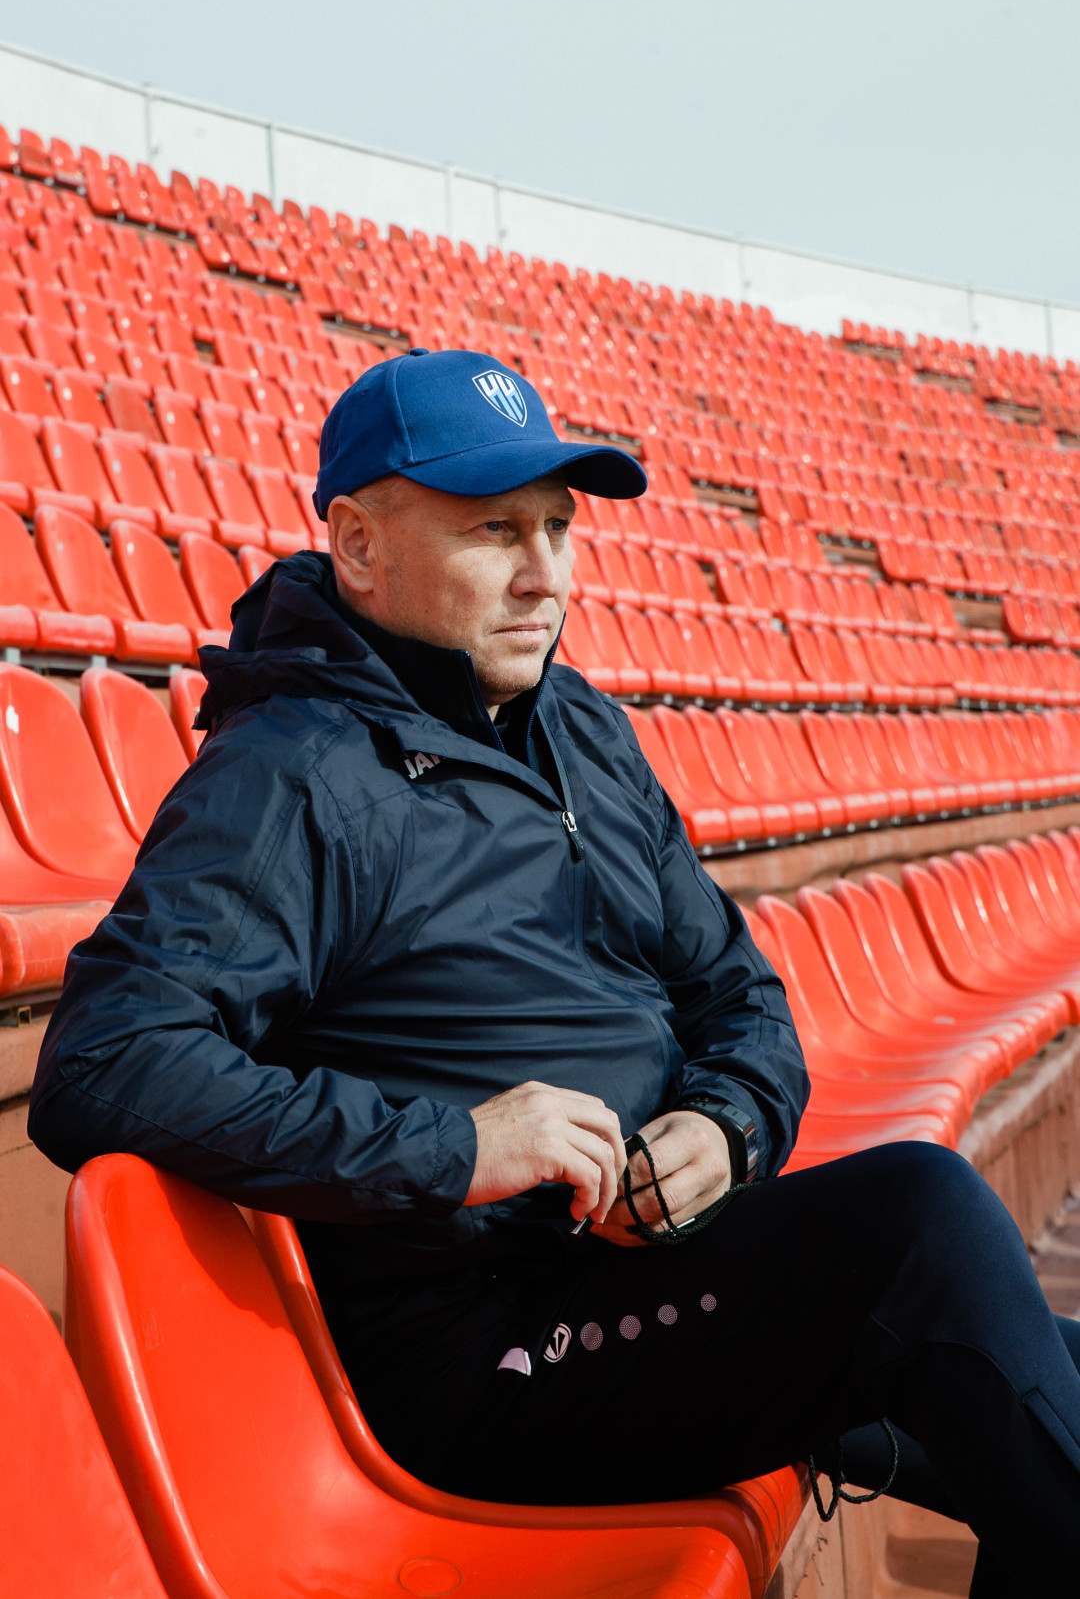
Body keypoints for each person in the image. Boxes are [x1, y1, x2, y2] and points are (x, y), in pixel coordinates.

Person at [30, 347, 1080, 1596]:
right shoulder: (288, 773)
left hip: (645, 1272)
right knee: (922, 1223)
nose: (545, 574)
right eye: (494, 532)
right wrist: (458, 1147)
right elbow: (103, 1063)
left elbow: (739, 996)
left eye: (558, 529)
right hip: (488, 1351)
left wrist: (725, 1127)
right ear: (358, 544)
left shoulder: (581, 726)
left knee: (1031, 1382)